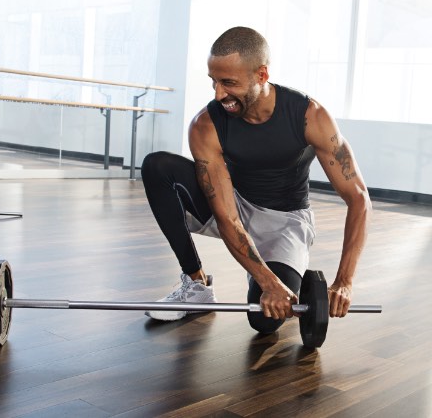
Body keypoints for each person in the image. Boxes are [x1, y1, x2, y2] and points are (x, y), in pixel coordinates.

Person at [141, 26, 371, 334]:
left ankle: (281, 272)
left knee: (264, 320)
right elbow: (226, 216)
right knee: (157, 166)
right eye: (214, 81)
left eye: (229, 83)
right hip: (234, 205)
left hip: (286, 222)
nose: (218, 93)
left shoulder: (309, 116)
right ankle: (196, 285)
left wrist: (344, 282)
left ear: (261, 75)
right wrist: (267, 282)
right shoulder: (206, 124)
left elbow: (358, 199)